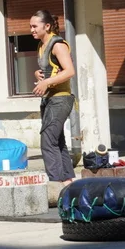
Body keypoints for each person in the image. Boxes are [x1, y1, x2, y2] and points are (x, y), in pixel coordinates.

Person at [31, 10, 77, 188]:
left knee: (48, 141)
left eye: (35, 26)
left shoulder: (57, 44)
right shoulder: (41, 45)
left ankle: (56, 184)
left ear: (47, 26)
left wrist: (46, 82)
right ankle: (68, 182)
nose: (32, 30)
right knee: (57, 141)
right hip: (49, 99)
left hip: (60, 99)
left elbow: (69, 71)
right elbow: (51, 69)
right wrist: (38, 74)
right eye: (30, 26)